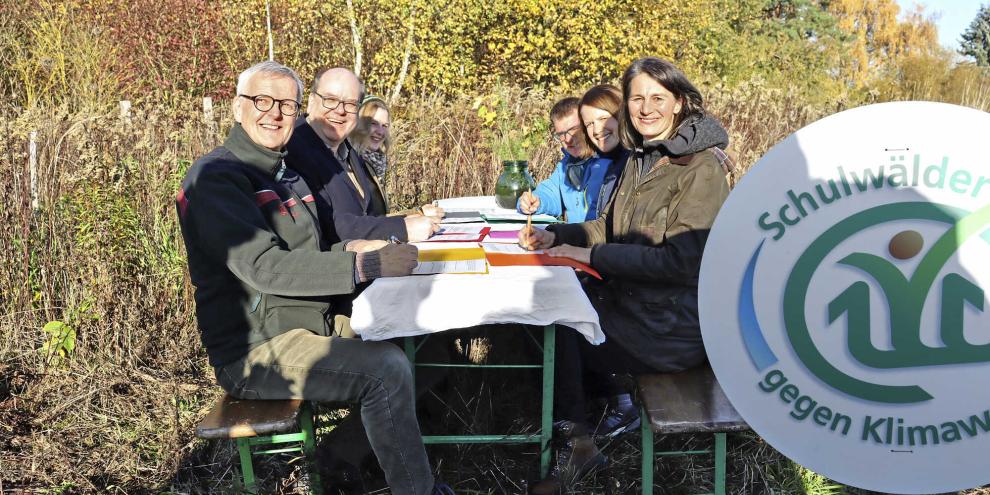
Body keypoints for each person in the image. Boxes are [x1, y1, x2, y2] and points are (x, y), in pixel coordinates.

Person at [175, 61, 451, 495]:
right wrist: (366, 265)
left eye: (287, 103)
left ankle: (342, 457)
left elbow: (315, 250)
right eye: (262, 100)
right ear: (236, 108)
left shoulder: (286, 174)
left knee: (427, 342)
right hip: (257, 348)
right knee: (386, 368)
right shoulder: (215, 178)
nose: (275, 113)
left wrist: (363, 248)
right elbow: (264, 267)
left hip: (310, 320)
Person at [520, 57, 731, 493]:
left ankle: (578, 447)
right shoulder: (642, 157)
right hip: (633, 306)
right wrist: (553, 233)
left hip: (672, 327)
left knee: (559, 331)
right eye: (637, 98)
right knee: (544, 317)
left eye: (658, 98)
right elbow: (608, 226)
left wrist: (591, 255)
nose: (646, 108)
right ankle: (586, 418)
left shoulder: (701, 168)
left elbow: (679, 262)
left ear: (678, 103)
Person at [286, 67, 440, 245]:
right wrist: (401, 228)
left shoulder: (348, 152)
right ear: (311, 101)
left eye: (350, 104)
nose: (340, 110)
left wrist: (413, 215)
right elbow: (326, 224)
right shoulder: (293, 149)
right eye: (330, 100)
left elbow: (367, 216)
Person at [350, 95, 392, 181]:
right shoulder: (348, 165)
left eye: (385, 125)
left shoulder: (378, 164)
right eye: (374, 123)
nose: (380, 131)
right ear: (359, 123)